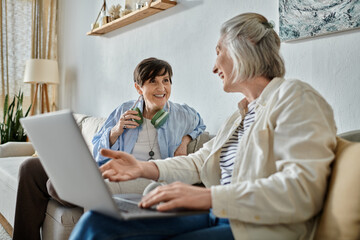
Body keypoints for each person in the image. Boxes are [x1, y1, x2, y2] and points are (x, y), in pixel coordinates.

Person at [69, 13, 337, 240]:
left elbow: (302, 191)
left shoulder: (295, 97)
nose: (213, 66)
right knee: (99, 219)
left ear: (247, 44)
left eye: (219, 51)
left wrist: (209, 197)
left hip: (253, 229)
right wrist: (143, 168)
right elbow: (201, 161)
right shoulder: (241, 114)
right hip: (218, 215)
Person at [12, 57, 206, 240]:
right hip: (111, 167)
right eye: (153, 81)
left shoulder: (181, 114)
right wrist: (116, 130)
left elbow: (200, 124)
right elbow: (98, 148)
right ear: (139, 88)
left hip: (144, 176)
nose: (162, 87)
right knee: (30, 167)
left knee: (55, 186)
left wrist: (185, 140)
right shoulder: (125, 110)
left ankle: (70, 190)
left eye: (166, 80)